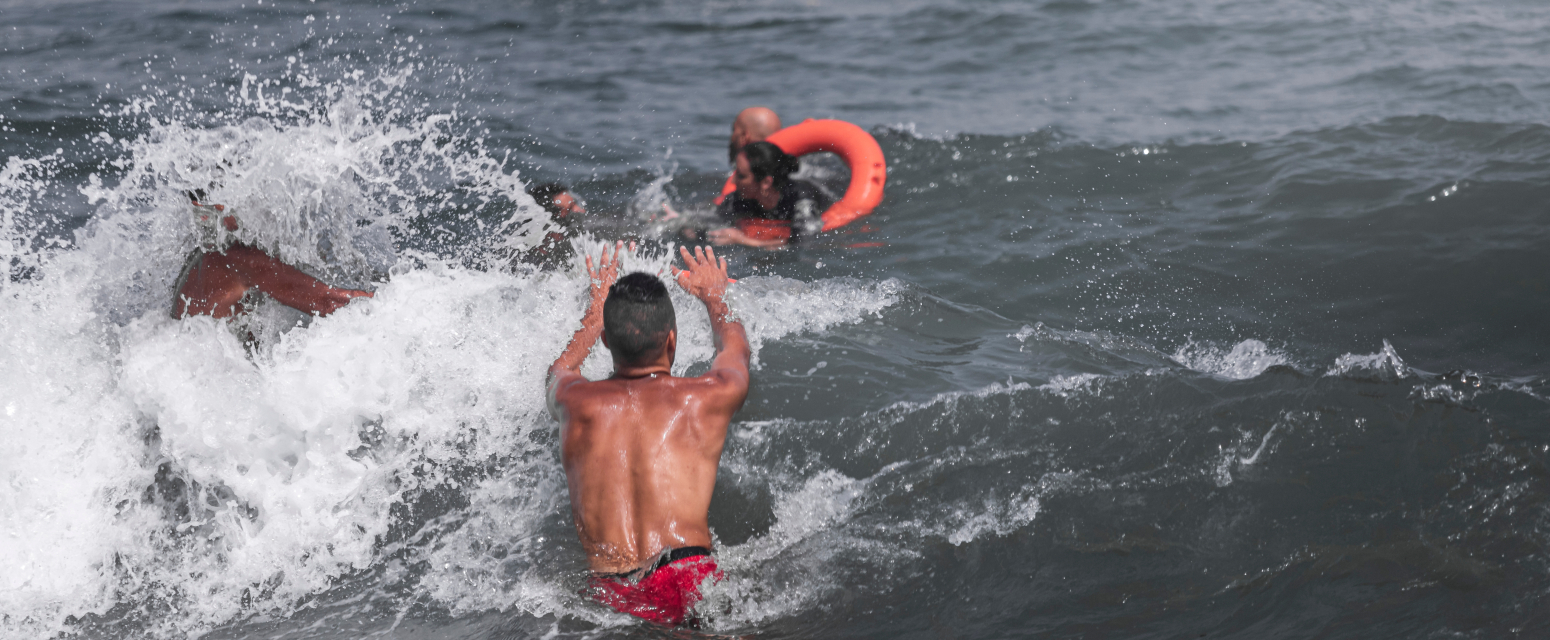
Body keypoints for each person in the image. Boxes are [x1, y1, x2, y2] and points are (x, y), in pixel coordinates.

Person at [547, 243, 751, 627]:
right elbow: (736, 351)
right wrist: (715, 298)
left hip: (610, 593)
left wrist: (594, 315)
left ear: (607, 341)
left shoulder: (574, 402)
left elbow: (559, 369)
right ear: (671, 340)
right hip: (685, 577)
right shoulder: (707, 396)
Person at [173, 194, 373, 319]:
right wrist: (397, 298)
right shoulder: (239, 259)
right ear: (218, 210)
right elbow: (329, 303)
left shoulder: (197, 258)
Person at [707, 141, 833, 248]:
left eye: (741, 176)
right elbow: (709, 222)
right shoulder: (738, 199)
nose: (733, 181)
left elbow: (804, 243)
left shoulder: (802, 198)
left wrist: (745, 241)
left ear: (766, 182)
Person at [518, 182, 587, 269]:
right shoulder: (522, 260)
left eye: (576, 203)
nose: (580, 210)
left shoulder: (586, 242)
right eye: (570, 208)